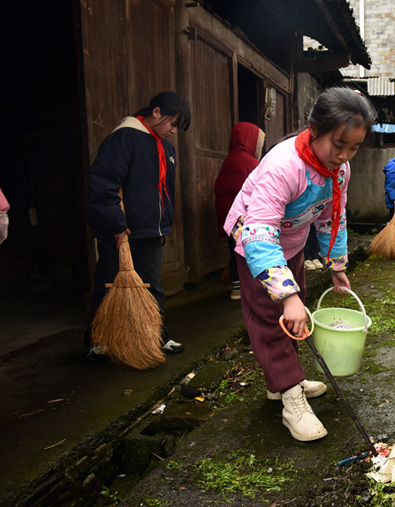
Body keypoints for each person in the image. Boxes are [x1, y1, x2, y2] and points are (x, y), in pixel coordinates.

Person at [223, 87, 376, 442]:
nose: (345, 155)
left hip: (289, 245)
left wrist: (336, 264)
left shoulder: (340, 170)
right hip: (256, 247)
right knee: (272, 316)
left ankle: (283, 383)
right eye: (339, 145)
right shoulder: (284, 166)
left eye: (354, 147)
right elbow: (259, 232)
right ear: (314, 128)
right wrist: (286, 295)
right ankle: (291, 400)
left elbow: (331, 217)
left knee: (296, 315)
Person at [86, 91, 191, 360]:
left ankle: (155, 335)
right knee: (108, 285)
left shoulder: (166, 147)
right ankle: (99, 341)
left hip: (151, 231)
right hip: (121, 231)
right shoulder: (124, 138)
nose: (173, 131)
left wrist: (164, 223)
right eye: (172, 123)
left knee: (152, 286)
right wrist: (117, 224)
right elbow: (103, 184)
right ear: (156, 112)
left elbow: (164, 192)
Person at [214, 122, 266, 300]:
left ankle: (236, 287)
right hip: (246, 217)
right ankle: (248, 287)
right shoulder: (250, 163)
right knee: (248, 251)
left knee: (233, 250)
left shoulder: (228, 161)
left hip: (229, 217)